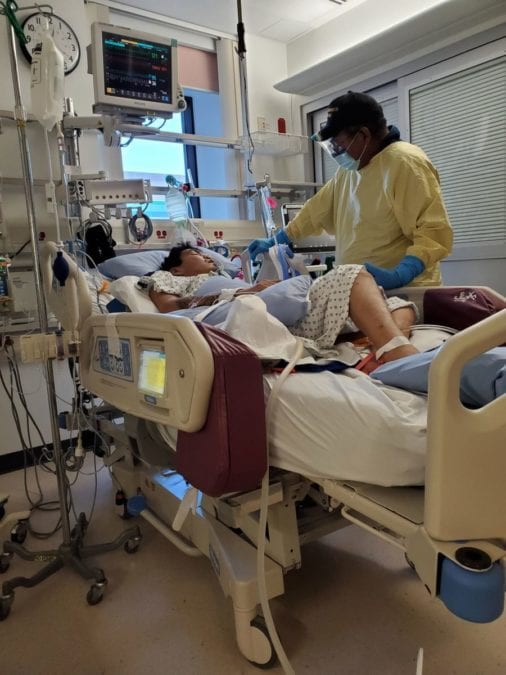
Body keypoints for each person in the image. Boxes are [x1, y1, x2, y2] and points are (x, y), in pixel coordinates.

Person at [248, 91, 453, 290]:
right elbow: (314, 212)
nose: (337, 153)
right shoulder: (348, 171)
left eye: (339, 144)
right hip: (358, 291)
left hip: (406, 291)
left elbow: (432, 232)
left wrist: (401, 274)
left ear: (363, 135)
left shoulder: (405, 163)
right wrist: (277, 240)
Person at [138, 245, 419, 366]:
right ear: (176, 269)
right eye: (194, 253)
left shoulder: (225, 276)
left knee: (393, 301)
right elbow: (171, 310)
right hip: (238, 311)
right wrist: (242, 292)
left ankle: (385, 343)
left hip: (267, 303)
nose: (205, 256)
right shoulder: (166, 279)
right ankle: (399, 355)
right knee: (350, 274)